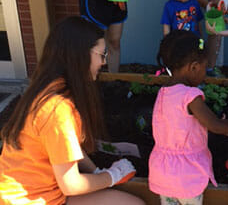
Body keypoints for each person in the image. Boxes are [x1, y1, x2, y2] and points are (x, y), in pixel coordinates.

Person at [0, 16, 144, 205]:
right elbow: (71, 184)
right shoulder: (58, 109)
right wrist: (112, 175)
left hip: (34, 193)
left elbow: (68, 149)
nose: (103, 63)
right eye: (101, 55)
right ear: (80, 56)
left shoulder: (46, 90)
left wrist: (96, 173)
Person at [148, 30, 228, 205]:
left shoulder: (163, 92)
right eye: (204, 68)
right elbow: (216, 126)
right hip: (186, 175)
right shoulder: (190, 95)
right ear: (194, 67)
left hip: (163, 173)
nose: (204, 73)